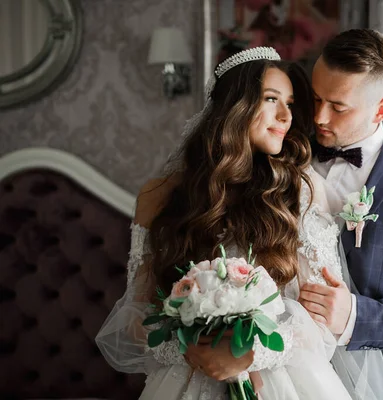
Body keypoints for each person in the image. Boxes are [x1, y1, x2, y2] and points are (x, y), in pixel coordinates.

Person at [95, 47, 355, 399]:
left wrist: (249, 354)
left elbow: (323, 323)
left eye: (290, 104)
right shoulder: (159, 196)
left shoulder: (301, 190)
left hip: (283, 382)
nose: (285, 116)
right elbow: (135, 317)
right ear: (236, 106)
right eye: (271, 99)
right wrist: (192, 346)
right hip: (186, 379)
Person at [298, 29, 383, 400]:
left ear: (381, 109)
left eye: (338, 106)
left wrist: (355, 317)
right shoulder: (283, 155)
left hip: (379, 388)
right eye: (315, 98)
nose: (318, 116)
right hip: (288, 378)